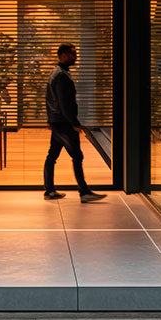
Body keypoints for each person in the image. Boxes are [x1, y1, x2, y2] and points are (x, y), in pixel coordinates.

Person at [43, 43, 105, 203]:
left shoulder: (57, 73)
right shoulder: (61, 76)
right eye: (72, 54)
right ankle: (84, 192)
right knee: (77, 155)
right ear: (63, 55)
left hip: (57, 122)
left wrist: (50, 120)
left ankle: (49, 190)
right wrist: (74, 122)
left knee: (52, 156)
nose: (75, 57)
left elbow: (51, 100)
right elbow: (64, 103)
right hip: (64, 123)